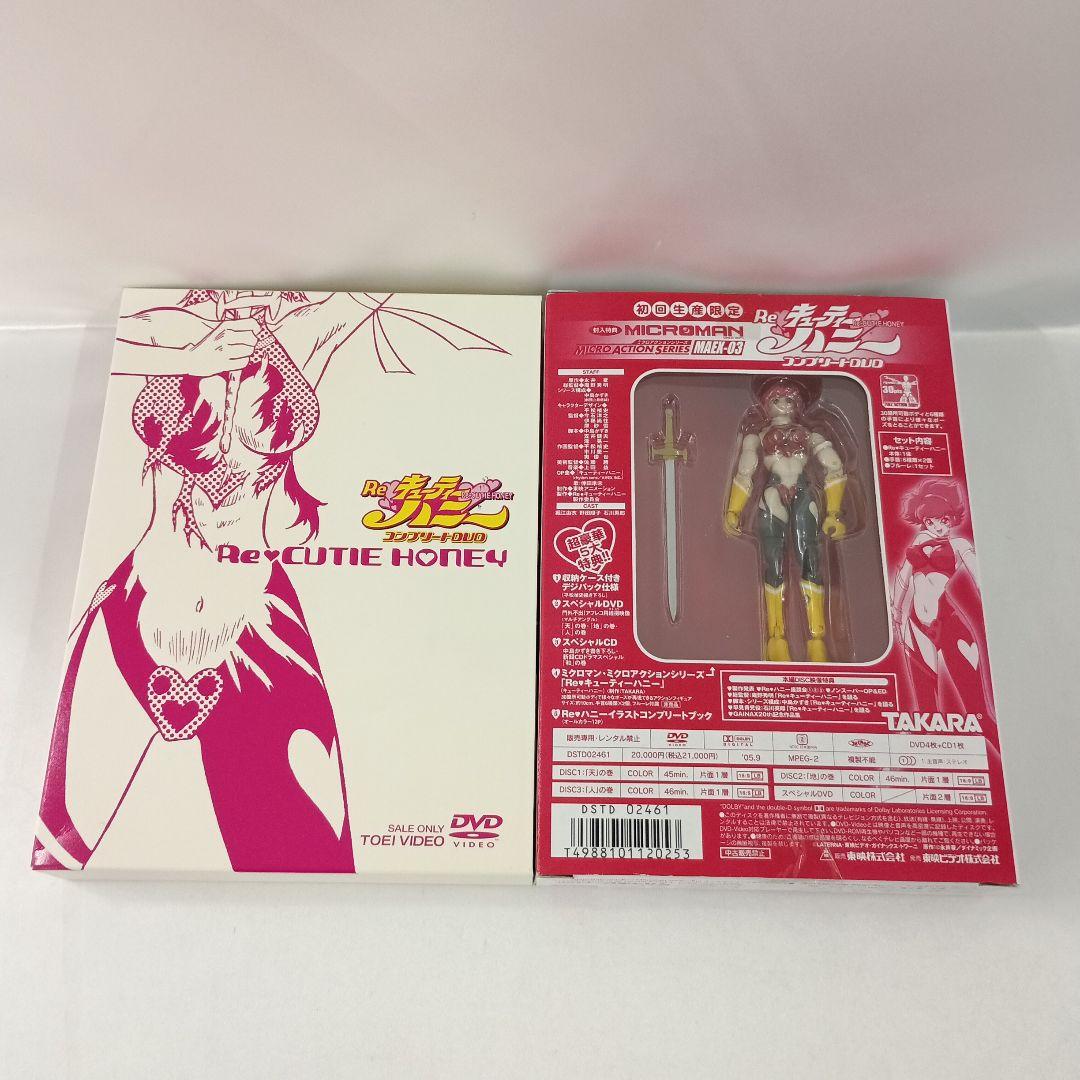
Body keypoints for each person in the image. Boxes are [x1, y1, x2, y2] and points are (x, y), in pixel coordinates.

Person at [34, 290, 503, 873]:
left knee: (312, 856)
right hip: (137, 609)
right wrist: (195, 357)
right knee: (56, 841)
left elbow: (360, 305)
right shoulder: (171, 326)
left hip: (254, 631)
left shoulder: (300, 331)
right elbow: (113, 346)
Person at [723, 377, 848, 662]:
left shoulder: (810, 435)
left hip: (804, 494)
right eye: (777, 399)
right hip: (772, 495)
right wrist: (734, 510)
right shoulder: (757, 437)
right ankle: (776, 636)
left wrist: (833, 512)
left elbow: (834, 466)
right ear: (766, 404)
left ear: (798, 404)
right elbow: (745, 471)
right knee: (774, 562)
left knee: (810, 560)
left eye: (790, 399)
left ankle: (817, 639)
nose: (784, 404)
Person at [891, 478, 987, 713]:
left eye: (944, 520)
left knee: (976, 705)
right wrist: (896, 612)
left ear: (952, 518)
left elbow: (977, 573)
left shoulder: (959, 544)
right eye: (931, 521)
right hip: (916, 624)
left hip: (948, 620)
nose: (938, 526)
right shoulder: (919, 541)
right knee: (926, 707)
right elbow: (903, 578)